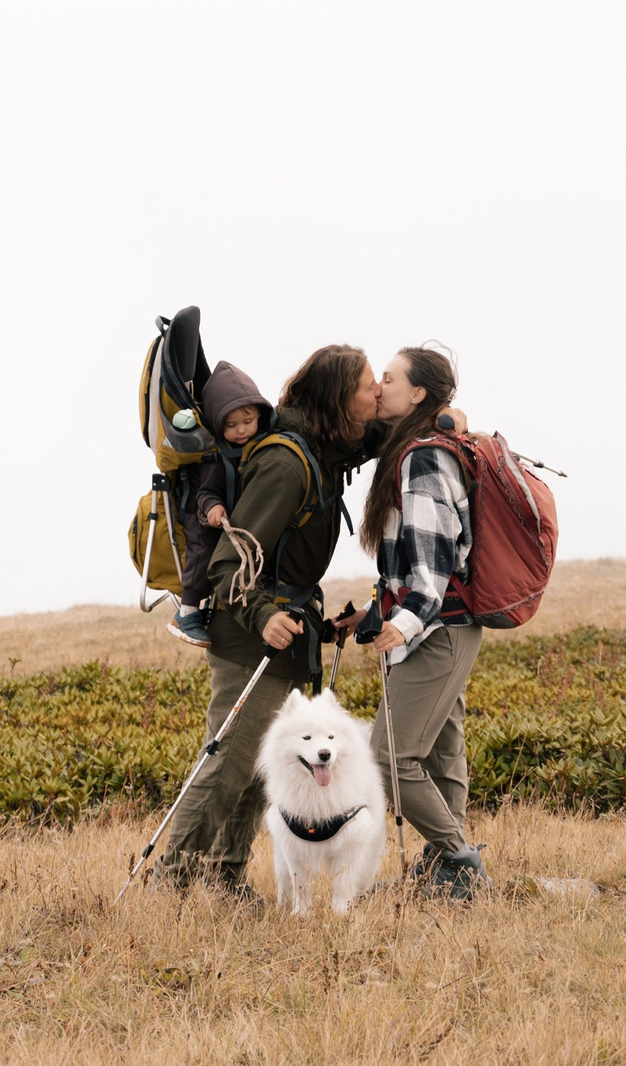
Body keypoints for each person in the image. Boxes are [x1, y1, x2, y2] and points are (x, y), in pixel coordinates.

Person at [150, 343, 378, 898]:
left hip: (286, 633)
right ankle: (170, 884)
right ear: (337, 399)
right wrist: (264, 615)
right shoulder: (286, 463)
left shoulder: (322, 450)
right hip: (249, 636)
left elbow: (380, 435)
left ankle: (225, 879)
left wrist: (433, 412)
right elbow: (230, 563)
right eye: (368, 387)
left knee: (259, 774)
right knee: (229, 763)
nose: (376, 394)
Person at [359, 343, 487, 898]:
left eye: (388, 377)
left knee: (387, 757)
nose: (379, 385)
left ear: (417, 394)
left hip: (438, 627)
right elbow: (407, 559)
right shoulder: (409, 447)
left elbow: (432, 563)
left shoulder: (425, 455)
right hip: (446, 625)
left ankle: (458, 861)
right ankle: (446, 870)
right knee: (440, 753)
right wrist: (373, 612)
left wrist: (404, 623)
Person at [166, 361, 273, 647]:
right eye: (231, 424)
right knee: (204, 555)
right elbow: (206, 491)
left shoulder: (261, 446)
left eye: (247, 421)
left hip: (233, 516)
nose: (241, 431)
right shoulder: (217, 455)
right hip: (203, 516)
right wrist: (213, 506)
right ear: (217, 423)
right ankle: (187, 612)